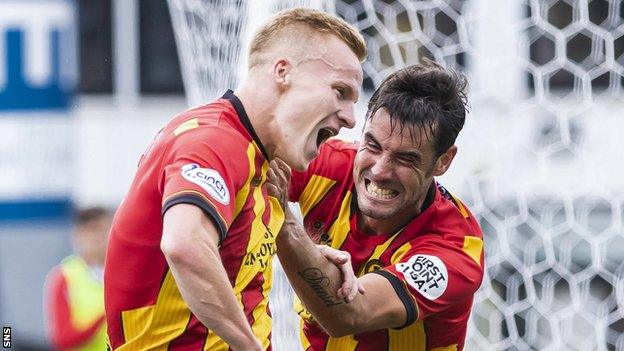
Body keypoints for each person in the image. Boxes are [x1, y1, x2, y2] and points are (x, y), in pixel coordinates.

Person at [104, 7, 366, 351]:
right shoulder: (215, 140)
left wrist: (313, 256)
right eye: (340, 91)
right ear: (283, 72)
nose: (349, 118)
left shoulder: (260, 156)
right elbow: (184, 244)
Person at [269, 61, 484, 350]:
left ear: (443, 160)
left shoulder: (456, 247)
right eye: (372, 145)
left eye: (405, 159)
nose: (380, 170)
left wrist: (285, 227)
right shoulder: (328, 166)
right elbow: (245, 164)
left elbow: (348, 314)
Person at [44, 206, 112, 350]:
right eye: (90, 230)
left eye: (101, 229)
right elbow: (63, 339)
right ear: (78, 235)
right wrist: (105, 314)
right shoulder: (64, 277)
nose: (96, 237)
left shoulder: (125, 272)